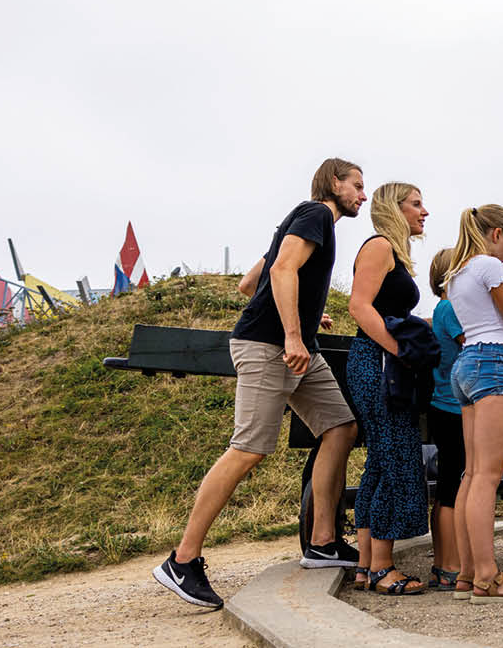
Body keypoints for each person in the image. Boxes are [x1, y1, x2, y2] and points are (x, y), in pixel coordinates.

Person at [154, 158, 366, 608]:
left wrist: (305, 315)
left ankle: (323, 542)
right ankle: (182, 559)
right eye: (357, 186)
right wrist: (291, 331)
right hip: (272, 347)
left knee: (341, 426)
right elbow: (280, 271)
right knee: (248, 448)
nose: (362, 196)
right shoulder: (314, 214)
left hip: (295, 347)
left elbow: (250, 282)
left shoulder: (305, 222)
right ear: (334, 183)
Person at [443, 204, 503, 603]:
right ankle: (488, 576)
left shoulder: (458, 272)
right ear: (497, 233)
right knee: (487, 477)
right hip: (494, 364)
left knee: (472, 473)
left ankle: (467, 574)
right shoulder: (488, 265)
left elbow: (491, 316)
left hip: (466, 367)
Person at [345, 182, 433, 595]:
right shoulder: (379, 246)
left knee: (381, 461)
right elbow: (360, 305)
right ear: (394, 208)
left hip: (377, 361)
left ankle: (366, 565)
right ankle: (383, 567)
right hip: (377, 363)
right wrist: (401, 348)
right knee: (397, 458)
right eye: (416, 204)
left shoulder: (392, 251)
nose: (424, 212)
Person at [423, 248, 468, 591]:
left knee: (447, 488)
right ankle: (450, 564)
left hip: (443, 404)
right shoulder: (451, 306)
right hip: (454, 407)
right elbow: (475, 343)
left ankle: (443, 563)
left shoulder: (440, 308)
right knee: (453, 487)